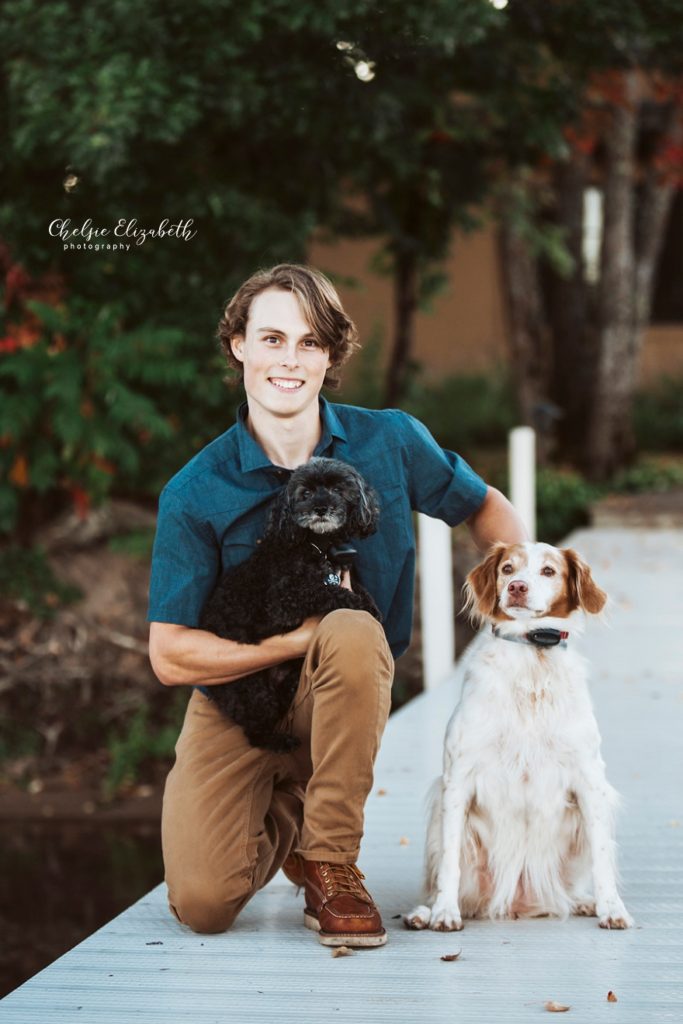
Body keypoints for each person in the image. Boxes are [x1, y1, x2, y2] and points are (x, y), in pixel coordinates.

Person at [147, 263, 528, 948]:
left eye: (309, 343)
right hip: (239, 698)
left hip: (346, 690)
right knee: (202, 904)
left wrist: (521, 615)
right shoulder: (195, 490)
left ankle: (330, 863)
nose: (288, 360)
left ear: (330, 355)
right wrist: (293, 644)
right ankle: (288, 809)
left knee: (351, 627)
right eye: (270, 339)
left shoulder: (390, 442)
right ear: (238, 345)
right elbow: (170, 654)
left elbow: (486, 509)